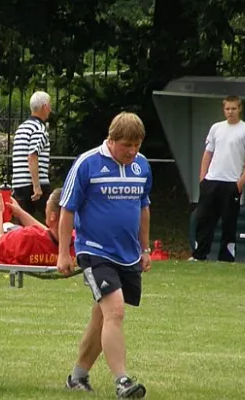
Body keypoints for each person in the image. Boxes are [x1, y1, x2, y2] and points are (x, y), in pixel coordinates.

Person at [56, 112, 152, 399]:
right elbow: (67, 209)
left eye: (137, 146)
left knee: (101, 317)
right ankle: (123, 382)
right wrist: (63, 252)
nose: (132, 152)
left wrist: (145, 249)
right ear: (111, 140)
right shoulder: (87, 163)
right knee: (115, 311)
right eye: (126, 146)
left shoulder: (142, 166)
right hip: (94, 251)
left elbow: (143, 207)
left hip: (128, 254)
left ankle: (78, 377)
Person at [190, 95, 245, 262]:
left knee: (229, 222)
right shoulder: (216, 128)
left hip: (231, 183)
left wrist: (240, 182)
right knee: (204, 219)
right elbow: (208, 153)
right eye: (227, 109)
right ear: (223, 109)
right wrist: (203, 178)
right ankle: (200, 254)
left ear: (239, 108)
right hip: (212, 180)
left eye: (233, 108)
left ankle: (226, 257)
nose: (230, 112)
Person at [11, 91, 52, 221]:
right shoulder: (39, 129)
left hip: (19, 184)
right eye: (50, 106)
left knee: (22, 223)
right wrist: (37, 186)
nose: (50, 109)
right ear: (45, 107)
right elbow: (32, 156)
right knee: (55, 219)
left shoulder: (21, 129)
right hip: (35, 184)